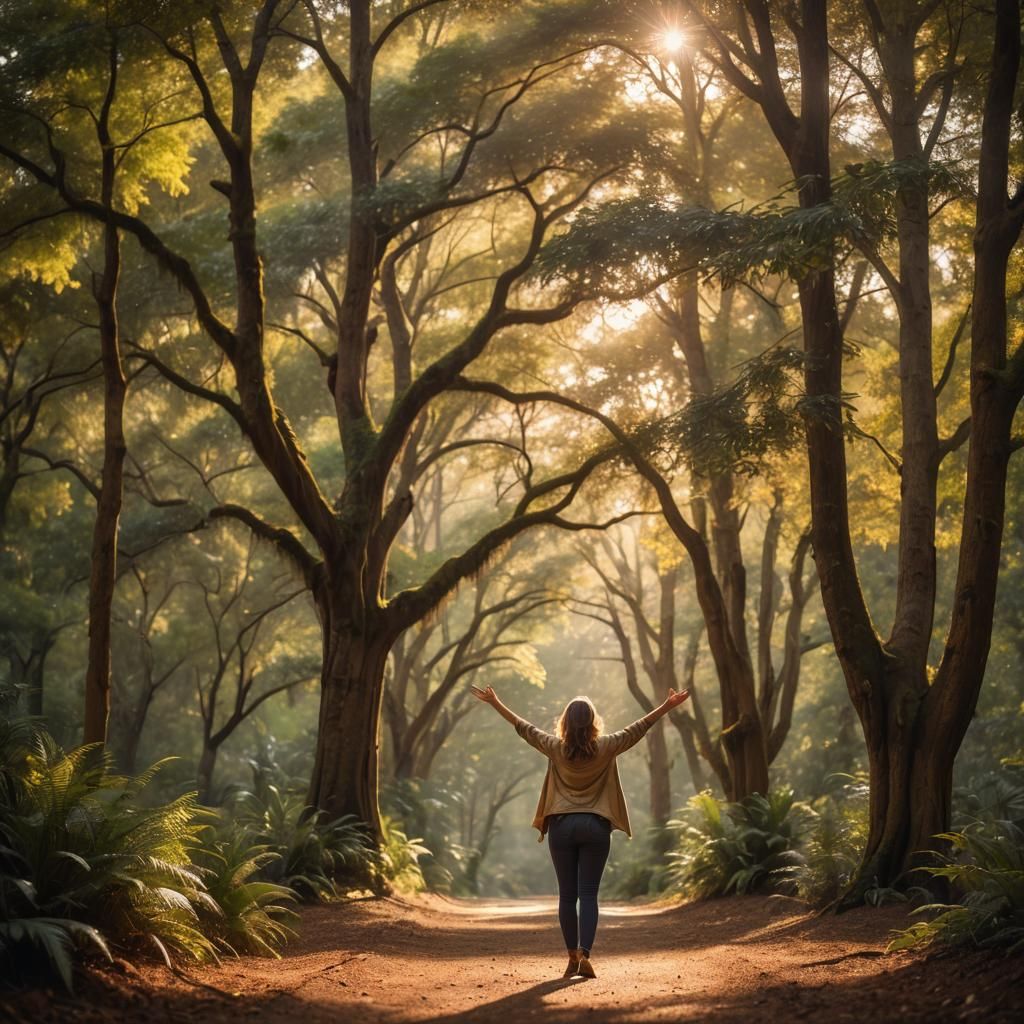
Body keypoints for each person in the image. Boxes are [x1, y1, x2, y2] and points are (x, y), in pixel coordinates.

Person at [470, 684, 690, 980]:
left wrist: (495, 701)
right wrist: (667, 706)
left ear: (565, 722)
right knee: (588, 895)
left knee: (566, 896)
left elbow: (524, 727)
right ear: (593, 721)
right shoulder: (608, 745)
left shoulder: (554, 747)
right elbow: (640, 727)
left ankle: (571, 956)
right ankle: (585, 952)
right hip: (596, 826)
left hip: (561, 827)